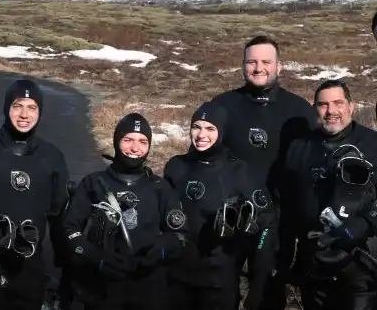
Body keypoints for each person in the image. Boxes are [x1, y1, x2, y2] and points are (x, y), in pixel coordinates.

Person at [211, 35, 317, 309]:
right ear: (242, 65)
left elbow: (312, 168)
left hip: (278, 223)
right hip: (229, 217)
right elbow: (201, 158)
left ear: (279, 66)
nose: (259, 68)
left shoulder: (299, 111)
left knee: (268, 295)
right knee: (221, 292)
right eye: (252, 62)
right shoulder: (222, 105)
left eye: (266, 62)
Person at [0, 79, 70, 310]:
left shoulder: (52, 158)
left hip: (29, 267)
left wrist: (66, 265)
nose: (24, 114)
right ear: (6, 108)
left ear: (40, 112)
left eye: (32, 107)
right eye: (17, 105)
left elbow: (58, 216)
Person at [62, 113, 188, 310]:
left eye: (142, 141)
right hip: (101, 288)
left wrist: (162, 249)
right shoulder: (93, 183)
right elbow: (69, 229)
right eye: (128, 139)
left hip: (149, 289)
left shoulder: (159, 188)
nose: (135, 148)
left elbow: (181, 235)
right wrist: (95, 258)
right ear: (116, 141)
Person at [163, 101, 277, 310]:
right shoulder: (176, 166)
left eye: (210, 128)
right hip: (176, 278)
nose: (201, 135)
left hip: (219, 281)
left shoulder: (240, 172)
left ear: (222, 132)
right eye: (196, 126)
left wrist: (258, 285)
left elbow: (266, 226)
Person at [282, 80, 377, 309]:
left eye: (338, 103)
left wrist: (362, 224)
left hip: (361, 262)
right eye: (323, 105)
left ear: (351, 106)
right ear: (315, 108)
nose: (331, 111)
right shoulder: (299, 148)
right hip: (314, 262)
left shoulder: (373, 143)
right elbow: (287, 199)